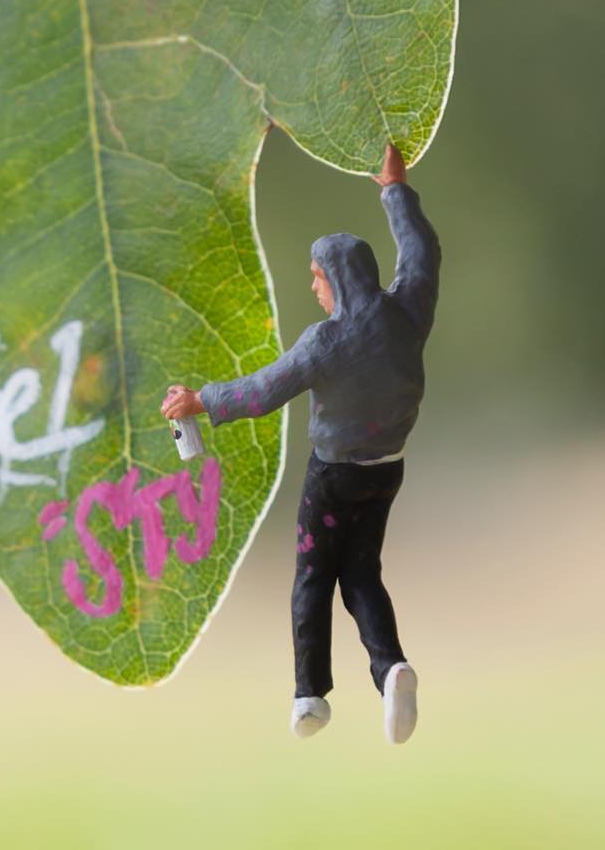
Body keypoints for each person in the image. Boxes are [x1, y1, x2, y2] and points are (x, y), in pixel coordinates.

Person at [160, 144, 440, 744]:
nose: (313, 289)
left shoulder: (325, 343)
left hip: (334, 475)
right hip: (386, 470)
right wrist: (394, 189)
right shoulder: (407, 312)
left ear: (336, 279)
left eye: (316, 278)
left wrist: (199, 401)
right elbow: (422, 254)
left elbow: (263, 390)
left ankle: (309, 694)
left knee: (314, 575)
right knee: (361, 573)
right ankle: (390, 668)